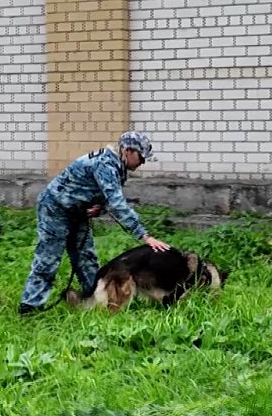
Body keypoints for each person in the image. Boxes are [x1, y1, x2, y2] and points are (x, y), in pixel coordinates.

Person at [18, 131, 170, 315]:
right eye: (141, 157)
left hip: (77, 212)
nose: (143, 162)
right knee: (48, 259)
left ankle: (93, 301)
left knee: (86, 259)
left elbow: (102, 195)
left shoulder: (115, 165)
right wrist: (144, 236)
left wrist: (97, 207)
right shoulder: (106, 165)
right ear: (128, 150)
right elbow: (118, 204)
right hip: (55, 209)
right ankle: (30, 307)